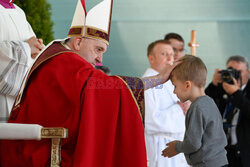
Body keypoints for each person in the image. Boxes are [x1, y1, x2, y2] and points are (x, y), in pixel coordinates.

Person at [0, 0, 178, 166]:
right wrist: (158, 79)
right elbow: (104, 87)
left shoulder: (60, 57)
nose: (99, 59)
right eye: (98, 49)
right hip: (38, 153)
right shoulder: (63, 61)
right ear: (78, 42)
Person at [162, 55, 228, 167]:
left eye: (175, 86)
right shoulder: (209, 101)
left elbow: (193, 144)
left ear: (187, 85)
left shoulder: (196, 107)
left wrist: (177, 147)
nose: (174, 91)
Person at [142, 40, 189, 167]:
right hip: (160, 149)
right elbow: (150, 121)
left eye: (171, 54)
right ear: (151, 58)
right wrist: (179, 109)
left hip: (177, 145)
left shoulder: (170, 82)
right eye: (164, 54)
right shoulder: (146, 84)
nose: (170, 58)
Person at [0, 0, 44, 122]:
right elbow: (26, 47)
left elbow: (31, 49)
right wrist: (26, 48)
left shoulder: (19, 12)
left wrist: (38, 49)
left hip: (21, 105)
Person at [205, 55, 250, 167]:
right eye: (231, 71)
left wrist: (236, 94)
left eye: (238, 72)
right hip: (222, 152)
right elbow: (205, 106)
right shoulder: (222, 88)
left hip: (244, 154)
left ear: (248, 73)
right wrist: (214, 85)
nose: (234, 75)